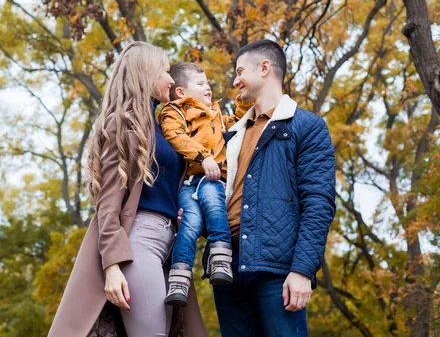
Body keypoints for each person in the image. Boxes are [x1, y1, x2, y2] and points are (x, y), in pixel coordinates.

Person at [47, 42, 207, 337]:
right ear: (146, 73)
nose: (171, 80)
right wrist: (112, 266)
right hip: (139, 243)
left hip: (171, 248)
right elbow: (107, 203)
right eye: (164, 71)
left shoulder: (164, 126)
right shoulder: (124, 124)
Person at [210, 39, 336, 336]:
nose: (236, 80)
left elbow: (318, 203)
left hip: (278, 269)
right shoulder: (231, 136)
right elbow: (223, 196)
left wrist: (303, 270)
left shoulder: (307, 126)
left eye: (240, 71)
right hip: (227, 266)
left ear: (264, 68)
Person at [158, 62, 249, 306]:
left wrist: (243, 97)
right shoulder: (173, 112)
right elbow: (175, 136)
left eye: (208, 83)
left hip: (212, 179)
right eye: (200, 84)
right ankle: (179, 278)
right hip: (190, 181)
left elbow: (240, 121)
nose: (208, 88)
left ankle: (220, 257)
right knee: (190, 224)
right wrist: (202, 156)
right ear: (181, 92)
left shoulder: (217, 115)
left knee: (214, 204)